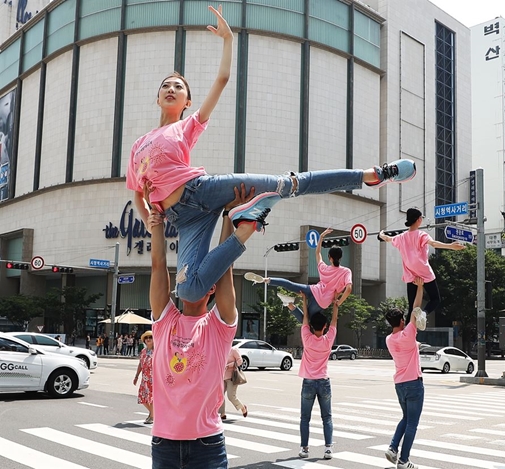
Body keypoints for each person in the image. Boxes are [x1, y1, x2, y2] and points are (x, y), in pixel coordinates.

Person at [125, 8, 416, 305]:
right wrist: (148, 215)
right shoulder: (139, 145)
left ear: (187, 101)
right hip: (184, 219)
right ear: (157, 96)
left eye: (178, 87)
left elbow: (223, 80)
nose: (171, 89)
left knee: (285, 185)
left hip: (203, 189)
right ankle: (245, 225)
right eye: (166, 86)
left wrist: (228, 40)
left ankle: (371, 175)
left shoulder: (188, 126)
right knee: (188, 290)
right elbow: (137, 191)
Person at [147, 185, 253, 469]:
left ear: (210, 288)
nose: (186, 278)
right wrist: (156, 220)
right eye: (184, 273)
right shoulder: (164, 321)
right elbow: (158, 266)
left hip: (207, 445)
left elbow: (225, 264)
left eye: (197, 276)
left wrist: (229, 215)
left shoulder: (219, 327)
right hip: (163, 444)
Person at [379, 208, 465, 330]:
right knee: (435, 299)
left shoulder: (401, 237)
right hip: (424, 272)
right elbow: (434, 244)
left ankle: (407, 335)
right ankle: (423, 314)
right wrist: (450, 246)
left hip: (410, 275)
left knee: (411, 307)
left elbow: (388, 239)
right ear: (418, 220)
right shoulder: (421, 235)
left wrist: (381, 235)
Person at [245, 228, 352, 323]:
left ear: (330, 257)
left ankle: (266, 279)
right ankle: (289, 304)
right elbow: (348, 289)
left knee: (290, 285)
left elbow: (317, 253)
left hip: (313, 290)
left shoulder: (324, 268)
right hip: (322, 302)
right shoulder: (346, 271)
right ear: (340, 257)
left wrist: (322, 237)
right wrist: (339, 302)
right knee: (306, 320)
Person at [384, 277, 425, 469]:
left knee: (406, 418)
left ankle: (393, 448)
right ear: (402, 321)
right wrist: (420, 287)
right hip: (414, 384)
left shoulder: (389, 339)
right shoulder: (408, 334)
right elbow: (416, 308)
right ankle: (403, 460)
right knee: (412, 423)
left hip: (399, 384)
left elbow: (412, 314)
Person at [296, 292, 338, 460]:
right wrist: (335, 305)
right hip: (324, 381)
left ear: (312, 327)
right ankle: (328, 449)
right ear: (325, 326)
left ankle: (304, 449)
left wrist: (305, 301)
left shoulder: (307, 338)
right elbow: (335, 322)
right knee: (326, 417)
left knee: (305, 418)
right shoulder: (328, 340)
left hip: (308, 382)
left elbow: (305, 318)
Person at [218, 346, 247, 420]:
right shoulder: (222, 349)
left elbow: (240, 361)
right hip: (222, 377)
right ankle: (222, 413)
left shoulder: (233, 350)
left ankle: (242, 407)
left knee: (231, 396)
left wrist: (230, 365)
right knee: (220, 395)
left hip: (232, 377)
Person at [134, 330, 154, 424]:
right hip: (144, 378)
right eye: (147, 338)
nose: (148, 339)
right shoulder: (143, 351)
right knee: (142, 398)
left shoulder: (157, 350)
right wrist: (136, 376)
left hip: (154, 378)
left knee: (152, 398)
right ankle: (153, 414)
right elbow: (140, 364)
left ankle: (152, 416)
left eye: (150, 337)